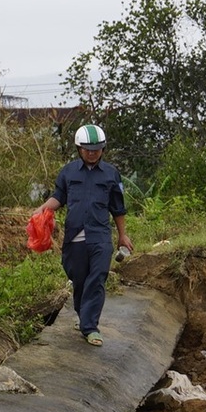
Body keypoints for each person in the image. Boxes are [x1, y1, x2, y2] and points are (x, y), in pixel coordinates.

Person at [38, 123, 132, 345]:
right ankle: (83, 317)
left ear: (103, 149)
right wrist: (43, 209)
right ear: (79, 149)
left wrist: (122, 235)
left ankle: (90, 327)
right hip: (75, 236)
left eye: (97, 149)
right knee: (79, 279)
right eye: (88, 149)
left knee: (98, 277)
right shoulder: (68, 172)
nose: (93, 153)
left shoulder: (111, 174)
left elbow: (118, 208)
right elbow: (58, 197)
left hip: (100, 234)